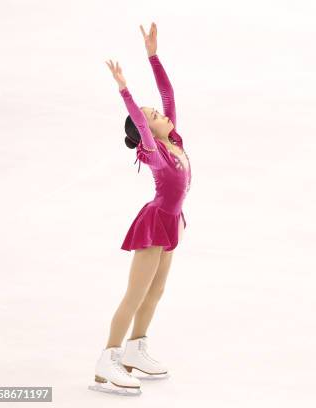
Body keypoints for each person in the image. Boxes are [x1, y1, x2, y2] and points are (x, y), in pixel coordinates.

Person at [89, 22, 191, 396]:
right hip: (154, 223)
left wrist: (153, 55)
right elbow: (142, 121)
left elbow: (168, 93)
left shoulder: (173, 136)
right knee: (135, 293)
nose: (162, 115)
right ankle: (108, 358)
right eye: (153, 115)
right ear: (146, 130)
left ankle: (135, 348)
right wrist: (125, 91)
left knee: (156, 291)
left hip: (171, 222)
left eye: (159, 114)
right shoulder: (155, 152)